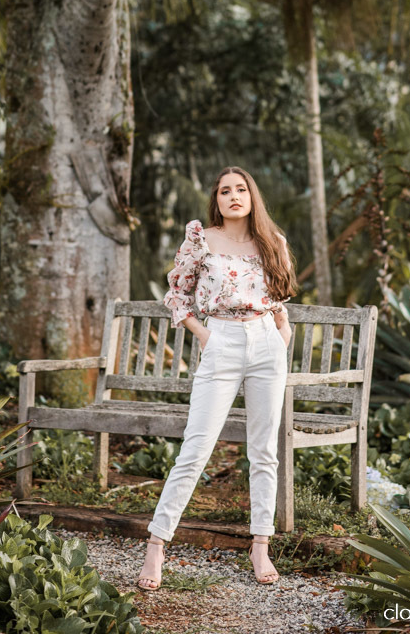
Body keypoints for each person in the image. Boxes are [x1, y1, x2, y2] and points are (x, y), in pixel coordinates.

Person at [137, 166, 298, 591]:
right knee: (196, 448)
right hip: (221, 341)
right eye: (225, 190)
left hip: (267, 342)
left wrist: (282, 333)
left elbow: (279, 295)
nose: (233, 196)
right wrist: (205, 335)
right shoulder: (201, 239)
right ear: (217, 200)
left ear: (252, 196)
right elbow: (176, 294)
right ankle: (157, 544)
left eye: (240, 189)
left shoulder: (272, 242)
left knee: (264, 452)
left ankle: (260, 544)